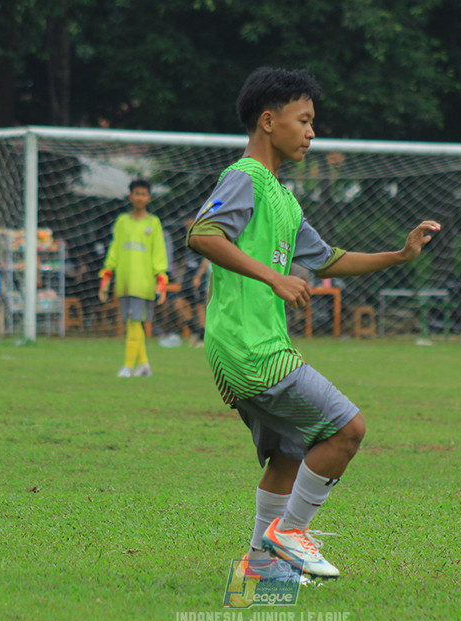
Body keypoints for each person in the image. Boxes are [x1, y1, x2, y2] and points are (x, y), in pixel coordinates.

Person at [186, 66, 441, 581]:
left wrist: (399, 254)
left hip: (248, 346)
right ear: (267, 121)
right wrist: (274, 279)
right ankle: (290, 532)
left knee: (288, 453)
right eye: (303, 120)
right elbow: (202, 235)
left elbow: (327, 259)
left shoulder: (282, 196)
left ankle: (261, 565)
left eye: (313, 122)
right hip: (250, 347)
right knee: (348, 428)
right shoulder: (245, 178)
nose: (311, 132)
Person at [98, 179, 169, 378]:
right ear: (130, 196)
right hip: (124, 281)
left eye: (143, 194)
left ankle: (128, 366)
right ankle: (144, 365)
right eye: (136, 193)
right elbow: (114, 249)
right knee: (133, 322)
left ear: (148, 197)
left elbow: (159, 253)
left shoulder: (153, 223)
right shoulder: (122, 221)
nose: (139, 197)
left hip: (143, 282)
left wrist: (160, 278)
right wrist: (107, 273)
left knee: (134, 322)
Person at [173, 217, 210, 346]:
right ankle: (196, 331)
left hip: (197, 276)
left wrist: (198, 277)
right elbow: (185, 259)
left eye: (189, 222)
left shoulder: (201, 238)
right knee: (179, 303)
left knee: (199, 305)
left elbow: (205, 258)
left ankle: (203, 337)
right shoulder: (187, 238)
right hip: (187, 276)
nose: (187, 225)